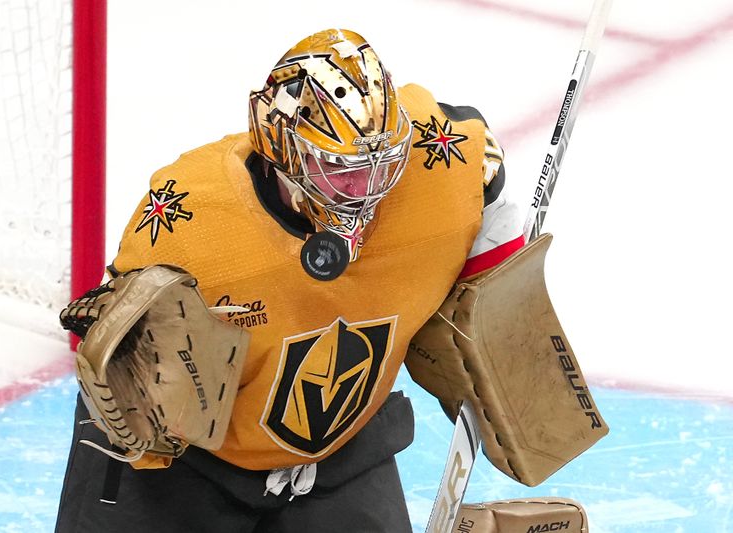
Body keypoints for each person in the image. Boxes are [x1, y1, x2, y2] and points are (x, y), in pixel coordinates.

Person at [55, 28, 522, 533]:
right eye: (338, 167)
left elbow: (482, 183)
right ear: (283, 147)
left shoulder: (440, 164)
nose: (363, 189)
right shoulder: (193, 225)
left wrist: (498, 296)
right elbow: (121, 359)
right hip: (187, 465)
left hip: (340, 453)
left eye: (381, 164)